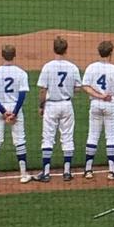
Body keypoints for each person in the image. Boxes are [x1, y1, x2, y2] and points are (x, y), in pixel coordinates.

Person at [33, 36, 82, 182]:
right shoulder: (72, 67)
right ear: (66, 50)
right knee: (67, 137)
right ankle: (67, 172)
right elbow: (78, 88)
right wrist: (68, 90)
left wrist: (41, 106)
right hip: (67, 105)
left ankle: (46, 173)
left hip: (51, 106)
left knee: (48, 138)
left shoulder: (48, 67)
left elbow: (43, 90)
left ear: (53, 49)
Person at [81, 40, 114, 180]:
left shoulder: (91, 67)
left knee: (93, 135)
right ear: (111, 53)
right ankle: (112, 171)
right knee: (111, 137)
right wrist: (107, 94)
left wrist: (99, 96)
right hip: (111, 105)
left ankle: (88, 170)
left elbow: (85, 86)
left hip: (95, 104)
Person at [0, 44, 30, 184]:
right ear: (14, 55)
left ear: (2, 55)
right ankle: (23, 174)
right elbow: (22, 95)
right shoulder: (21, 73)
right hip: (16, 108)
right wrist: (14, 113)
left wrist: (4, 112)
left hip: (0, 108)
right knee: (19, 140)